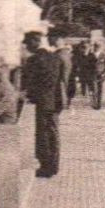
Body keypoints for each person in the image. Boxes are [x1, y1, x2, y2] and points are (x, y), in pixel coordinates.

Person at [22, 32, 63, 178]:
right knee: (53, 133)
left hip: (40, 102)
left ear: (35, 42)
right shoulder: (56, 58)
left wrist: (28, 96)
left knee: (42, 135)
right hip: (54, 102)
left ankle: (46, 167)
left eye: (28, 43)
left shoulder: (33, 60)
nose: (26, 47)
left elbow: (28, 82)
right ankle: (54, 165)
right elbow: (61, 82)